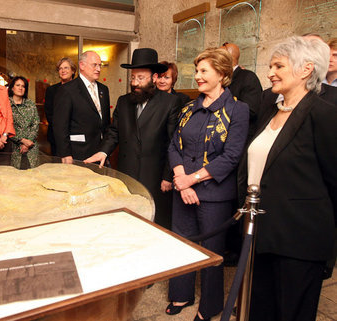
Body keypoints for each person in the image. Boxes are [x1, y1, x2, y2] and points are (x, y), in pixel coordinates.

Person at [237, 36, 337, 321]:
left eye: (278, 66)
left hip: (300, 241)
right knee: (259, 310)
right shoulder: (271, 108)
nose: (270, 72)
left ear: (306, 69)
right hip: (262, 234)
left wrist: (330, 248)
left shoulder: (325, 114)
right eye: (270, 65)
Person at [166, 48, 249, 321]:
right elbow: (174, 146)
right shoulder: (188, 108)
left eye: (204, 71)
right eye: (197, 70)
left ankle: (211, 305)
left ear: (222, 74)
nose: (197, 76)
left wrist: (193, 178)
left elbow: (232, 156)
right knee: (182, 244)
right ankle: (181, 293)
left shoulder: (237, 109)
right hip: (183, 190)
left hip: (214, 196)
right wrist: (182, 180)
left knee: (212, 252)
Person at [85, 48, 181, 229]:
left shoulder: (169, 103)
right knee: (128, 222)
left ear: (154, 78)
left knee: (154, 224)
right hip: (127, 174)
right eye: (133, 77)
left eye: (141, 78)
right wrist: (103, 150)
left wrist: (168, 176)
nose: (135, 83)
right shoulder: (124, 101)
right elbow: (114, 132)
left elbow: (173, 142)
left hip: (154, 177)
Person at [53, 51, 110, 163]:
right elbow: (60, 125)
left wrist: (105, 150)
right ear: (82, 65)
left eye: (100, 65)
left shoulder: (104, 89)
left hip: (100, 154)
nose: (98, 69)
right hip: (77, 153)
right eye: (94, 65)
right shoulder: (67, 90)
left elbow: (105, 123)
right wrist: (65, 153)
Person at [220, 42, 263, 127]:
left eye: (218, 56)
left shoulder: (248, 77)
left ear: (227, 57)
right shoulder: (218, 78)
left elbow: (250, 112)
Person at [44, 57, 76, 155]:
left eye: (66, 68)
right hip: (55, 136)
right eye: (60, 68)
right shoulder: (51, 90)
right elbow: (49, 114)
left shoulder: (79, 90)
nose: (63, 71)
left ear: (73, 70)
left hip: (76, 136)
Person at [8, 76, 40, 169]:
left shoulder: (30, 104)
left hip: (31, 146)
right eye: (17, 85)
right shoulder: (6, 103)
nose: (20, 88)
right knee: (15, 177)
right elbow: (6, 125)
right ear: (12, 88)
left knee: (32, 176)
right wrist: (22, 140)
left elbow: (35, 123)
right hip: (13, 146)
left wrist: (28, 141)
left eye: (23, 86)